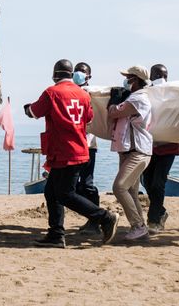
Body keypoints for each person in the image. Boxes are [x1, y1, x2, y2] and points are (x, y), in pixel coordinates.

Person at [24, 59, 119, 248]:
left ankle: (104, 217)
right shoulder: (83, 94)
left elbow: (34, 112)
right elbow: (89, 117)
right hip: (79, 149)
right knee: (51, 192)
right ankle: (56, 234)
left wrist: (27, 108)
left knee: (65, 194)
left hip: (63, 150)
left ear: (54, 74)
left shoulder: (52, 92)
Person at [107, 65, 153, 241]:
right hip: (130, 151)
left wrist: (113, 102)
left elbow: (114, 113)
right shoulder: (134, 97)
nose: (127, 81)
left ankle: (138, 226)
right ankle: (141, 228)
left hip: (138, 152)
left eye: (129, 78)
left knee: (119, 187)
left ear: (137, 80)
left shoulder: (139, 99)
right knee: (132, 192)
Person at [143, 64, 179, 234]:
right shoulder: (145, 92)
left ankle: (153, 221)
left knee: (158, 183)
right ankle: (161, 212)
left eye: (163, 74)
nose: (160, 76)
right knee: (147, 182)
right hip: (149, 145)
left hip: (168, 146)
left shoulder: (174, 93)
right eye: (157, 74)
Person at [72, 61, 101, 235]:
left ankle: (95, 220)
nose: (78, 74)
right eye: (76, 71)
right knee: (77, 186)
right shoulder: (74, 92)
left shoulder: (93, 94)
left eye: (82, 71)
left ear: (89, 75)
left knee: (87, 184)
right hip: (76, 144)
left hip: (89, 145)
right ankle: (93, 218)